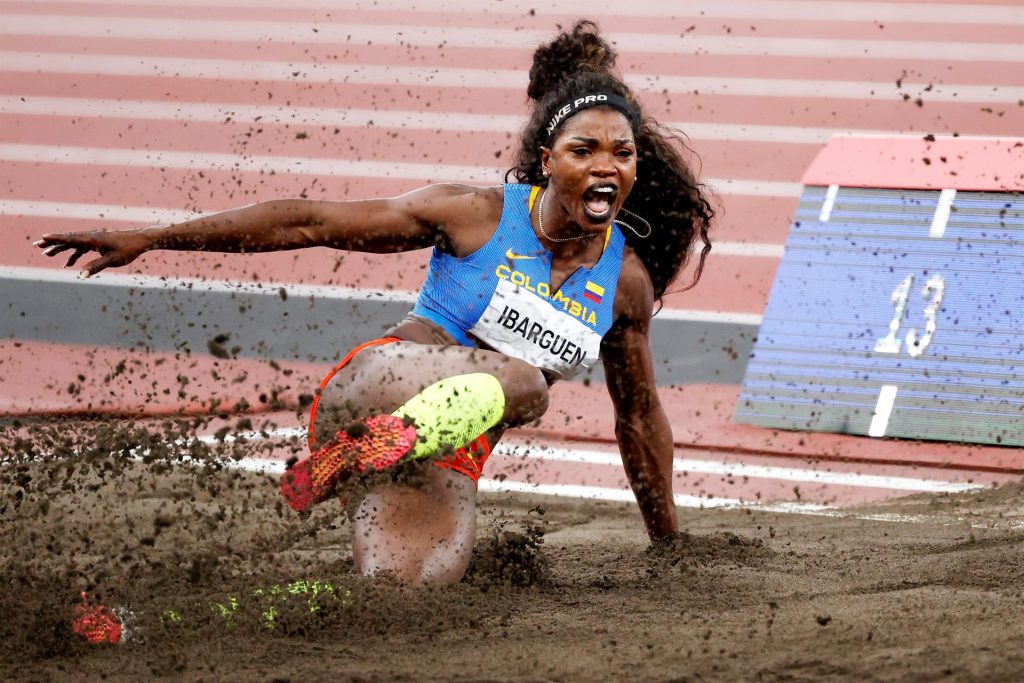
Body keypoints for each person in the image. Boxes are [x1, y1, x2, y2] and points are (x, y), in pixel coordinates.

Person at [35, 20, 713, 585]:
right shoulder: (476, 215)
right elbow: (309, 222)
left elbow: (639, 416)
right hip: (375, 385)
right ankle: (368, 446)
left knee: (399, 597)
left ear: (635, 166)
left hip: (448, 456)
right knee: (525, 383)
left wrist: (669, 544)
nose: (604, 165)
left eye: (621, 153)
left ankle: (210, 604)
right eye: (583, 150)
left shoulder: (624, 285)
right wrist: (154, 237)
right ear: (546, 160)